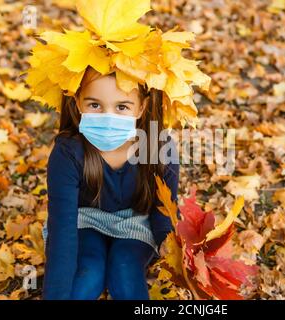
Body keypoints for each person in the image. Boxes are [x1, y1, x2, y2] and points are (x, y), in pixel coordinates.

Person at [24, 0, 210, 300]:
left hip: (137, 224)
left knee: (125, 269)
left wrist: (177, 258)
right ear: (77, 103)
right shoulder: (68, 153)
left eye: (122, 106)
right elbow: (63, 230)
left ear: (141, 107)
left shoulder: (158, 147)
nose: (107, 116)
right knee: (89, 271)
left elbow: (163, 217)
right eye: (94, 105)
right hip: (84, 220)